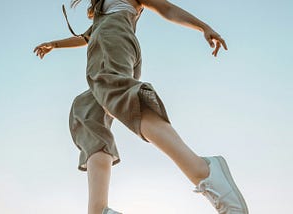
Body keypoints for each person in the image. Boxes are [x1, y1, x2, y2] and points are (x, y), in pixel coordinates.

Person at [34, 0, 248, 213]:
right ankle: (99, 210)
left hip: (113, 39)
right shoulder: (102, 13)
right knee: (87, 112)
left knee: (119, 93)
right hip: (105, 45)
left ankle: (205, 171)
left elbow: (166, 7)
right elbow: (86, 37)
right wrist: (55, 44)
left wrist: (204, 27)